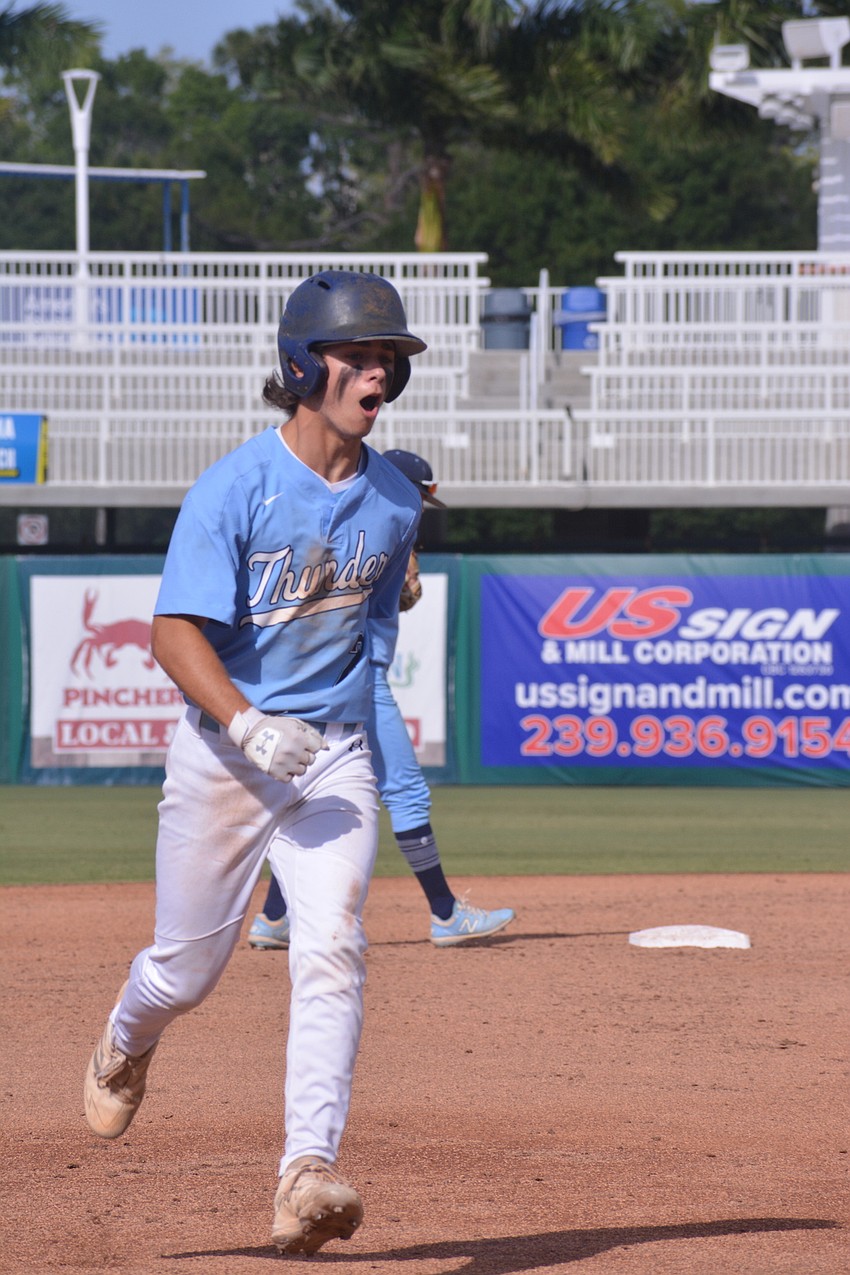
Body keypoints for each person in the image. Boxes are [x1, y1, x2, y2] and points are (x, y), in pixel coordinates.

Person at [82, 269, 427, 1256]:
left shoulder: (396, 493)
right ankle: (125, 1040)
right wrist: (244, 724)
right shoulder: (232, 487)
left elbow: (371, 593)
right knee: (186, 971)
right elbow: (173, 633)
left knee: (333, 946)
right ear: (300, 366)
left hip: (331, 758)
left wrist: (388, 584)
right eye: (357, 354)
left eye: (386, 357)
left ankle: (303, 1176)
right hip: (226, 760)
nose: (375, 370)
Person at [248, 449, 515, 951]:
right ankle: (446, 913)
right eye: (417, 495)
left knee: (312, 790)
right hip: (360, 681)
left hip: (324, 679)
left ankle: (274, 917)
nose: (419, 507)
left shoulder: (350, 526)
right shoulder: (381, 532)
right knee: (405, 790)